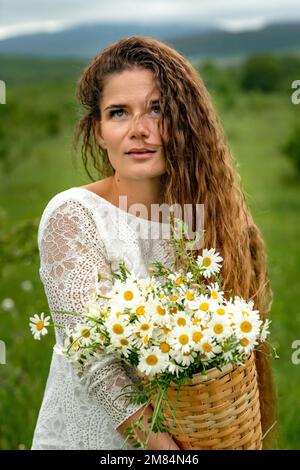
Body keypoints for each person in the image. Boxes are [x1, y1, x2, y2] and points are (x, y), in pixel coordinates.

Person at [31, 35, 276, 450]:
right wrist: (164, 452)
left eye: (157, 109)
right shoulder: (74, 215)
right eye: (118, 113)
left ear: (184, 122)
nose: (138, 131)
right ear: (100, 130)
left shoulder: (204, 218)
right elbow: (95, 362)